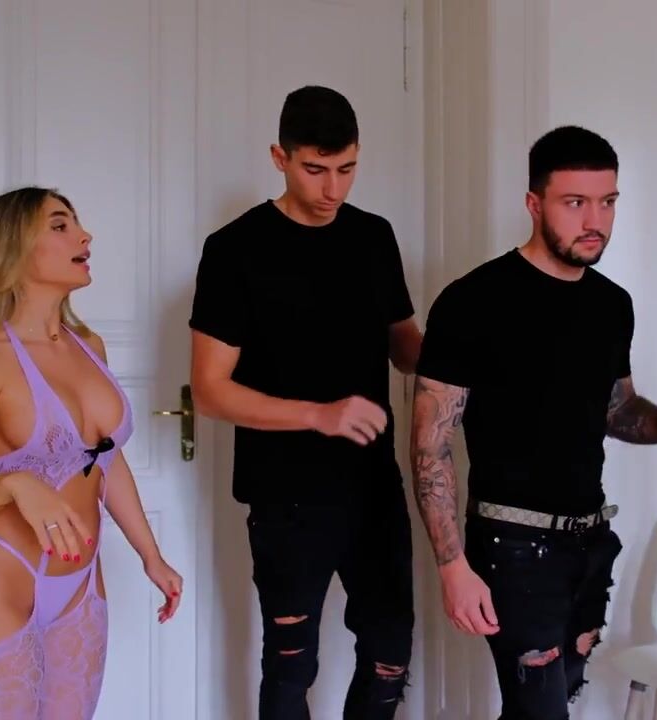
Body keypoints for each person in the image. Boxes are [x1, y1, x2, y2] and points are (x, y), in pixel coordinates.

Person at [410, 124, 657, 719]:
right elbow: (430, 447)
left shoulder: (611, 304)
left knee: (548, 703)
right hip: (512, 544)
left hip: (590, 541)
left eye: (607, 201)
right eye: (575, 202)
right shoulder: (473, 302)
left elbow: (618, 411)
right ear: (534, 203)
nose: (595, 220)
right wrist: (451, 565)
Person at [188, 85, 421, 719]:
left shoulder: (374, 237)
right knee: (292, 665)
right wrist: (319, 415)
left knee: (390, 653)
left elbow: (405, 348)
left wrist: (469, 353)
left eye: (347, 169)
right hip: (286, 496)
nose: (332, 188)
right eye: (315, 169)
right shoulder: (234, 249)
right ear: (280, 157)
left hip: (373, 487)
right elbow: (209, 390)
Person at [0, 186, 183, 720]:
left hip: (80, 585)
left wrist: (150, 554)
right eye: (60, 226)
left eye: (77, 224)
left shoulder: (90, 345)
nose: (85, 236)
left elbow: (104, 459)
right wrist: (15, 485)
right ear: (11, 246)